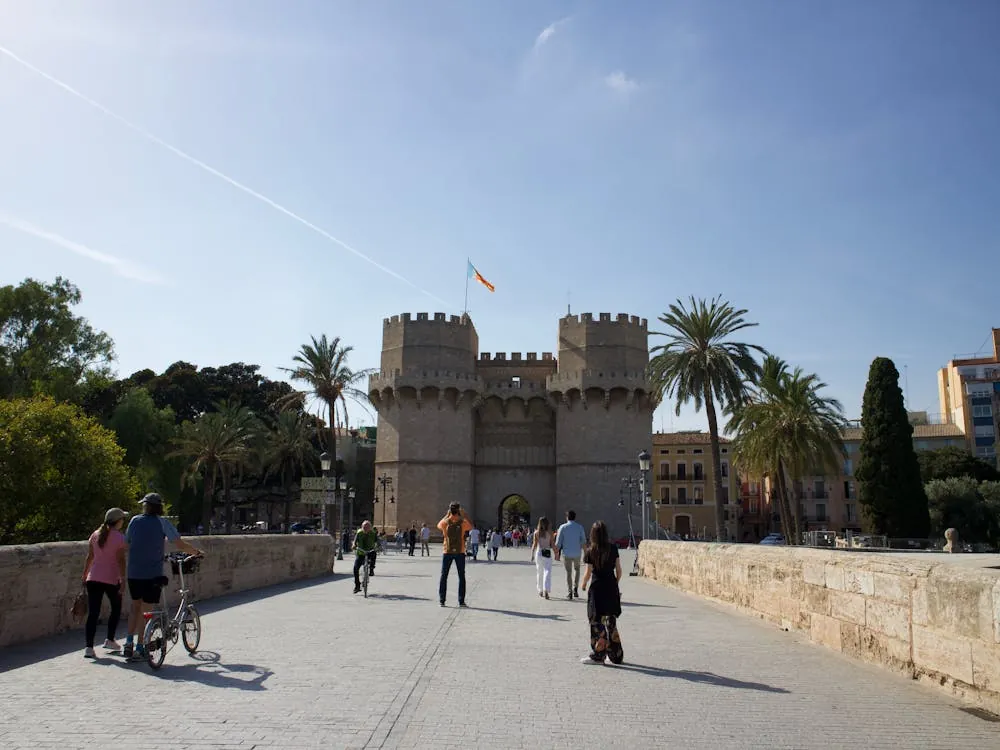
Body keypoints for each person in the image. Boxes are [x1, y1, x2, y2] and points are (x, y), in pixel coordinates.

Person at [123, 493, 204, 661]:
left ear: (145, 506)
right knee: (147, 612)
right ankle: (140, 647)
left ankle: (128, 643)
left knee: (134, 607)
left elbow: (127, 543)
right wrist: (196, 552)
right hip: (151, 574)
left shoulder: (134, 521)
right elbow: (179, 543)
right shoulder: (162, 523)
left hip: (133, 573)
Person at [80, 507, 129, 658]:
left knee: (93, 613)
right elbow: (121, 560)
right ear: (118, 521)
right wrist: (123, 579)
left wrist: (84, 575)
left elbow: (90, 557)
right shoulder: (119, 538)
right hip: (111, 578)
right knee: (116, 608)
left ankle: (89, 647)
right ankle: (110, 639)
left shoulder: (95, 534)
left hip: (93, 577)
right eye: (122, 519)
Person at [580, 520, 624, 666]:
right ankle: (616, 655)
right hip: (611, 587)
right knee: (611, 621)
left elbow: (588, 572)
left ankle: (599, 654)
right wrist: (615, 584)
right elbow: (619, 571)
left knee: (596, 621)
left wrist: (583, 584)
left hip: (597, 588)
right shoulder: (613, 548)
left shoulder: (590, 551)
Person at [437, 503, 472, 607]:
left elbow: (438, 525)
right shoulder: (463, 522)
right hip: (460, 551)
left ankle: (442, 600)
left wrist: (447, 515)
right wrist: (464, 515)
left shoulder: (445, 522)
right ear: (458, 511)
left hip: (447, 551)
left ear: (450, 511)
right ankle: (461, 601)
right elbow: (471, 526)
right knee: (461, 576)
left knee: (444, 575)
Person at [555, 510, 588, 599]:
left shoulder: (562, 527)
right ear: (575, 517)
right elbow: (583, 541)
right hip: (577, 553)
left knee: (568, 572)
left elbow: (558, 543)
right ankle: (575, 588)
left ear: (567, 517)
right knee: (577, 570)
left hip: (566, 553)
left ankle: (570, 592)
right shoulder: (580, 527)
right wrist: (586, 553)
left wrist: (556, 553)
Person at [531, 517, 554, 599]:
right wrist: (556, 553)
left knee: (539, 572)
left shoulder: (536, 532)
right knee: (547, 571)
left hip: (539, 552)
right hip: (547, 552)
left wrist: (532, 554)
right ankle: (546, 590)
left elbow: (534, 544)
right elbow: (553, 544)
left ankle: (540, 590)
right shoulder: (550, 532)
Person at [353, 521, 378, 593]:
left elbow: (377, 542)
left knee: (374, 554)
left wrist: (377, 546)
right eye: (364, 527)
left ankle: (371, 569)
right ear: (362, 527)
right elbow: (355, 541)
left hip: (370, 551)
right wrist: (354, 545)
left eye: (367, 527)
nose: (365, 529)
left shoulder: (373, 533)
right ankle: (357, 585)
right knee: (355, 569)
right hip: (361, 553)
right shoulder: (359, 533)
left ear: (370, 528)